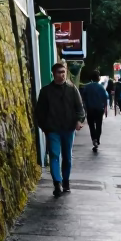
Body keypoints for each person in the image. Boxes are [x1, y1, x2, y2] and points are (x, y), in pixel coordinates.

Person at [35, 62, 86, 197]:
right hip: (53, 129)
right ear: (53, 74)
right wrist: (45, 127)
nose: (62, 75)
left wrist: (79, 121)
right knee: (54, 155)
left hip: (68, 128)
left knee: (67, 157)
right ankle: (57, 182)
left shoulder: (72, 89)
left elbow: (80, 108)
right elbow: (39, 112)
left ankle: (66, 180)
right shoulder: (45, 92)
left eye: (63, 72)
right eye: (59, 72)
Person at [79, 70, 109, 151]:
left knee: (91, 125)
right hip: (99, 109)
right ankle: (97, 139)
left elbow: (83, 98)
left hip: (90, 109)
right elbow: (105, 98)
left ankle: (94, 139)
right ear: (98, 78)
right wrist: (105, 108)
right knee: (99, 125)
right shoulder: (101, 87)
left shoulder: (87, 87)